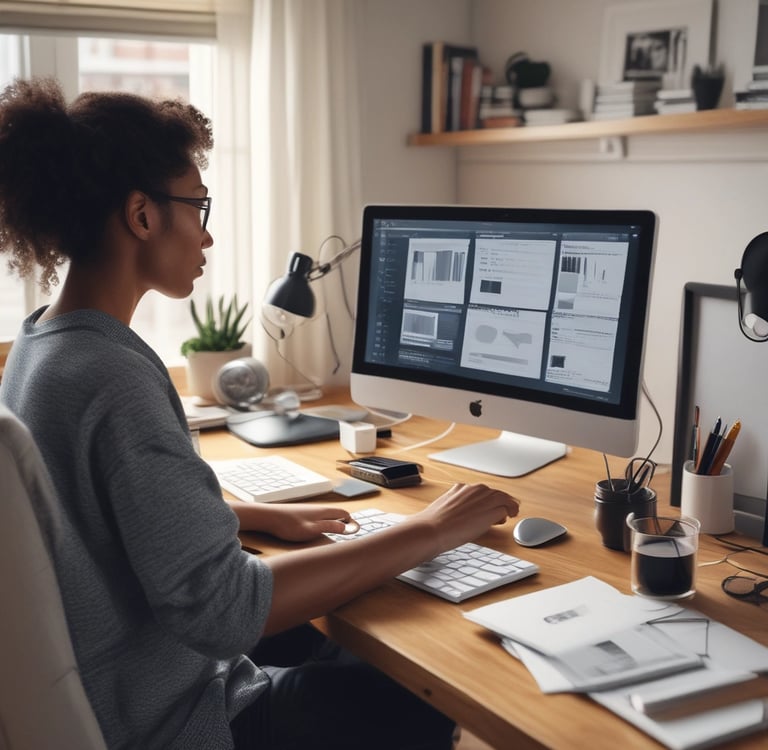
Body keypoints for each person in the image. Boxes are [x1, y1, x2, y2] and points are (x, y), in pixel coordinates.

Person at [0, 77, 519, 750]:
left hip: (137, 693)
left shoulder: (41, 344)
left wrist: (249, 516)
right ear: (142, 215)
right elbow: (225, 611)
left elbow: (83, 517)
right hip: (183, 720)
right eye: (199, 206)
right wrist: (431, 528)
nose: (207, 237)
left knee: (368, 637)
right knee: (431, 682)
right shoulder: (113, 375)